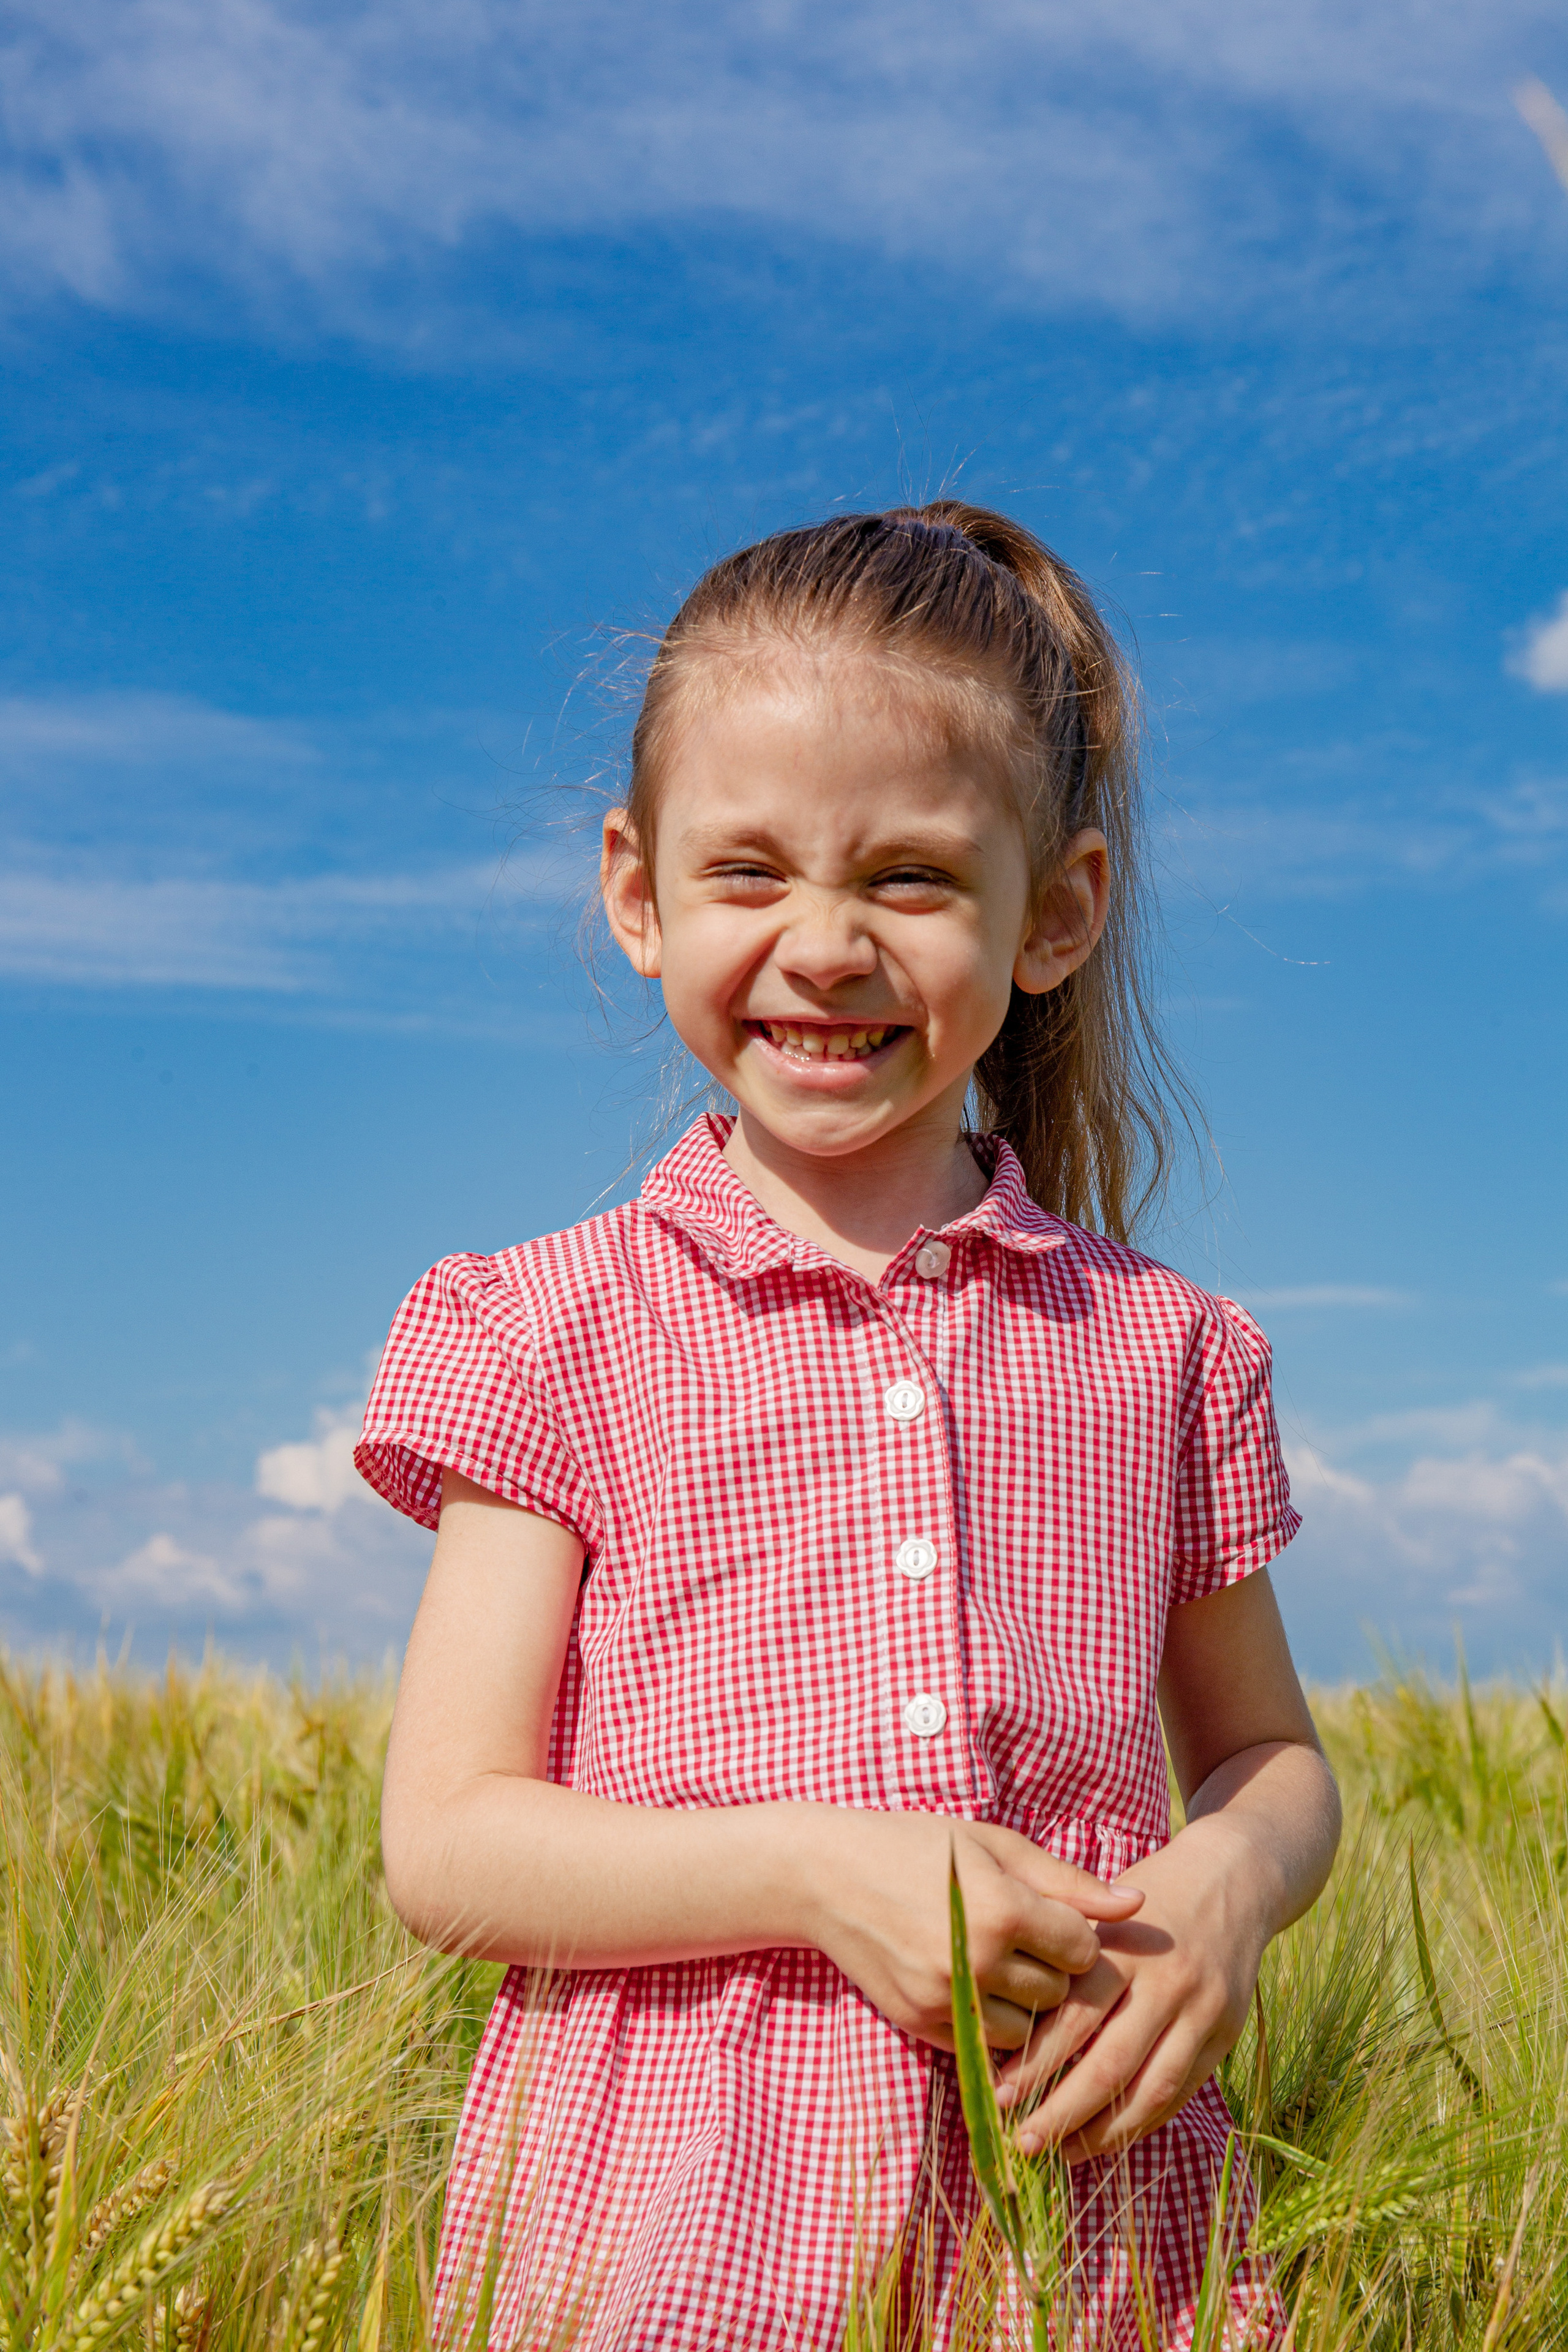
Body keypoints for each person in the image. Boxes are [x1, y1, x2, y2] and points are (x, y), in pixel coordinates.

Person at [358, 503, 1342, 2350]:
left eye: (905, 879)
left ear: (1052, 914)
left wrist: (1228, 1885)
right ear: (637, 893)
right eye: (749, 874)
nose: (823, 945)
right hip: (668, 2221)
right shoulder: (551, 1329)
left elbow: (1273, 1760)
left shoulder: (1162, 1350)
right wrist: (821, 1871)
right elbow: (449, 1845)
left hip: (1088, 2219)